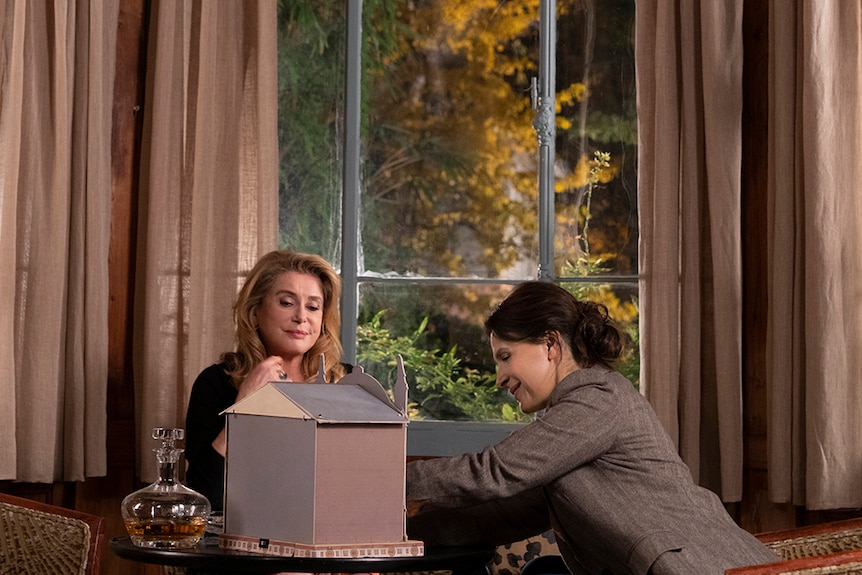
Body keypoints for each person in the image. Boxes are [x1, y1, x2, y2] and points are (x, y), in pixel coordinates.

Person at [405, 281, 778, 575]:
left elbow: (493, 472)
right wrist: (392, 535)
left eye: (505, 357)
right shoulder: (568, 430)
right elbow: (503, 517)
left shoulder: (598, 398)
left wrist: (378, 479)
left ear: (550, 344)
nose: (500, 379)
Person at [185, 249, 347, 512]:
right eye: (286, 302)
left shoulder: (347, 383)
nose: (301, 317)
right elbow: (202, 497)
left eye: (313, 307)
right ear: (254, 313)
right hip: (243, 540)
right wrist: (244, 407)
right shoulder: (216, 383)